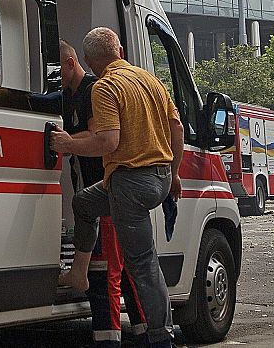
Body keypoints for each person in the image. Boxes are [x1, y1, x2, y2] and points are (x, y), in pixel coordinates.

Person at [52, 27, 182, 348]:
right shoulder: (150, 80)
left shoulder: (104, 86)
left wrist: (68, 143)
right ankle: (79, 270)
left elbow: (108, 141)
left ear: (86, 60)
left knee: (143, 264)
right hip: (160, 176)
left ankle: (161, 338)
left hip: (129, 183)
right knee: (84, 203)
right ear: (120, 50)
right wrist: (175, 174)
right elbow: (176, 127)